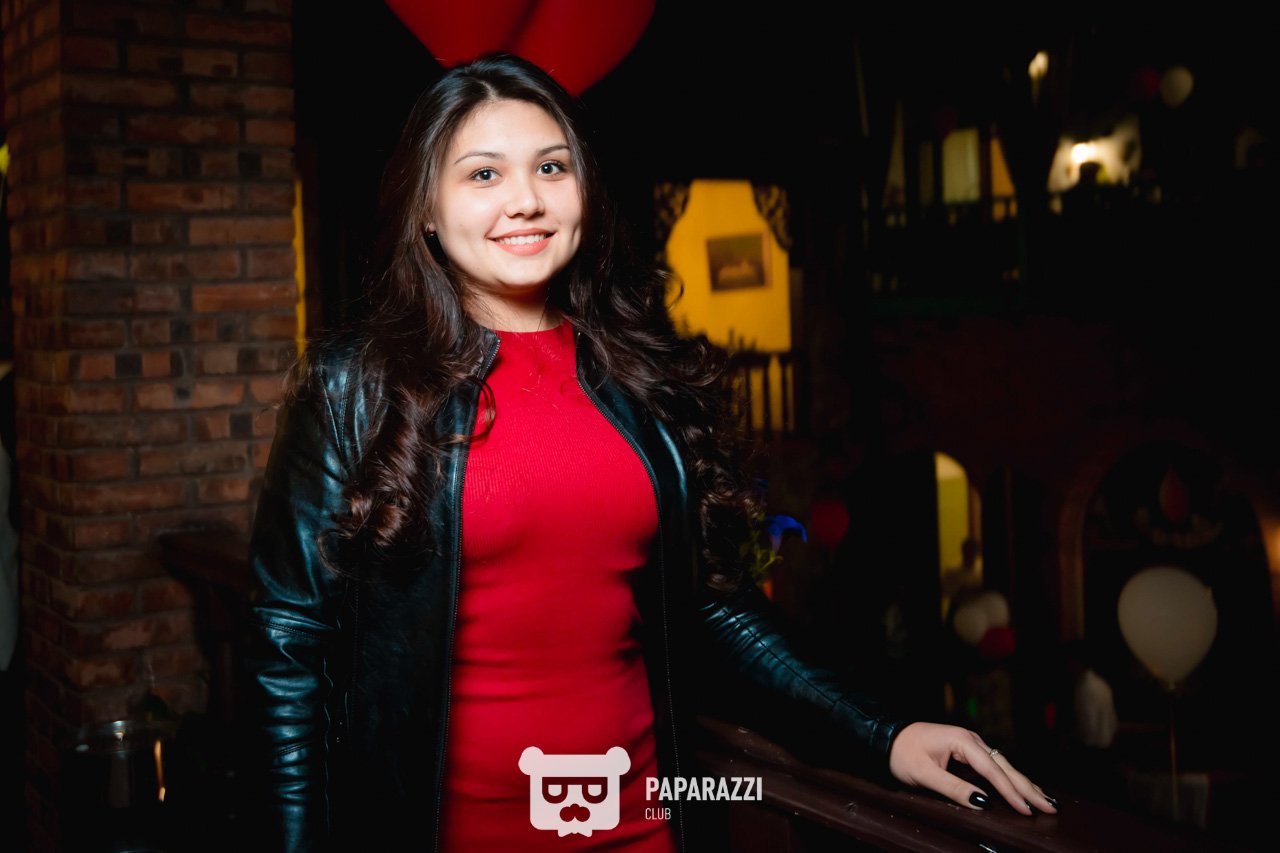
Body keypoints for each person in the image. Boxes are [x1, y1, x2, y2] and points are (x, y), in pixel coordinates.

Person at [245, 52, 1057, 852]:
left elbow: (708, 605)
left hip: (640, 827)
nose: (525, 200)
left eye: (552, 167)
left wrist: (882, 731)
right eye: (483, 174)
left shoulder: (638, 377)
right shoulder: (355, 387)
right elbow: (288, 645)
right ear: (427, 208)